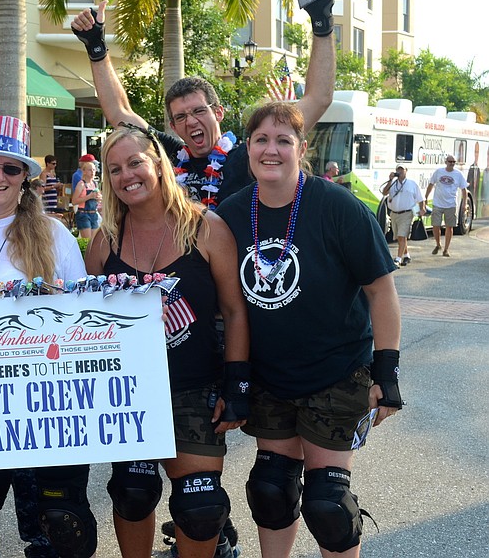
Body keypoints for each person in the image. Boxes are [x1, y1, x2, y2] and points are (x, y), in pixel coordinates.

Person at [215, 102, 403, 558]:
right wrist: (235, 379)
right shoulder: (232, 215)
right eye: (261, 139)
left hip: (336, 372)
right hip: (270, 377)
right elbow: (230, 306)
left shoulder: (338, 206)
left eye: (283, 140)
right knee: (271, 491)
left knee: (328, 506)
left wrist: (387, 372)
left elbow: (381, 291)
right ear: (248, 148)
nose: (271, 149)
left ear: (302, 149)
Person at [84, 125, 249, 558]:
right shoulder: (105, 240)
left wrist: (237, 386)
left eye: (135, 162)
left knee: (200, 507)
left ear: (158, 163)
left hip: (194, 388)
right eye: (115, 169)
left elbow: (234, 311)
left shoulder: (205, 228)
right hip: (129, 396)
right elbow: (85, 322)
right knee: (132, 493)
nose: (127, 175)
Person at [0, 115, 93, 558]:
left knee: (64, 528)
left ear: (25, 176)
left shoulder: (54, 234)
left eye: (11, 168)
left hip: (47, 401)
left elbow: (81, 313)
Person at [69, 0, 336, 209]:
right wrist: (96, 48)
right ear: (173, 126)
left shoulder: (248, 156)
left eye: (198, 110)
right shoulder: (170, 154)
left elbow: (317, 99)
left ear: (218, 112)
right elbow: (120, 113)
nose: (191, 121)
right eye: (181, 117)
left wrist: (321, 21)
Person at [382, 166, 425, 267]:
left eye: (402, 170)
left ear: (406, 171)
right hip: (394, 213)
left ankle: (398, 259)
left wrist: (422, 209)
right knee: (399, 237)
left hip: (407, 213)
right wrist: (390, 180)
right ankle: (406, 255)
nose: (400, 172)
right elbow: (384, 192)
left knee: (402, 235)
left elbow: (420, 198)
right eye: (398, 170)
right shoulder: (392, 183)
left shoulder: (412, 184)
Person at [425, 154, 468, 257]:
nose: (452, 164)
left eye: (454, 162)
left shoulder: (458, 174)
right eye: (450, 162)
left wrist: (465, 203)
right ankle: (438, 244)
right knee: (435, 225)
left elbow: (464, 189)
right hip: (438, 203)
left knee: (449, 227)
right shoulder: (439, 172)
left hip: (451, 204)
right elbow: (431, 184)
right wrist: (426, 197)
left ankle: (446, 249)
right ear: (446, 162)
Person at [71, 159, 102, 239]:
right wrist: (89, 197)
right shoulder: (81, 184)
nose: (92, 172)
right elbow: (74, 201)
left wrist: (99, 198)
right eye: (90, 170)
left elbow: (98, 199)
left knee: (94, 241)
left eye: (94, 170)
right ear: (84, 171)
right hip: (83, 214)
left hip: (93, 213)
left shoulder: (95, 184)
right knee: (88, 241)